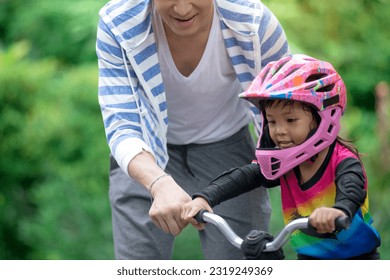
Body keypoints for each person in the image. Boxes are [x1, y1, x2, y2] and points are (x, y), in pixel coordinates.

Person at [96, 0, 289, 259]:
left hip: (228, 147)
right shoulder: (118, 23)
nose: (183, 8)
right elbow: (122, 122)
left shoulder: (253, 23)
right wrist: (158, 182)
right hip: (145, 153)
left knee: (242, 260)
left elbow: (290, 107)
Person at [181, 54, 382, 259]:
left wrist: (339, 210)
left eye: (291, 120)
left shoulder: (343, 161)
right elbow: (243, 176)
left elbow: (352, 189)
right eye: (272, 121)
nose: (279, 131)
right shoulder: (285, 162)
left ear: (324, 117)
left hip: (357, 261)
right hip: (309, 259)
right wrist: (205, 198)